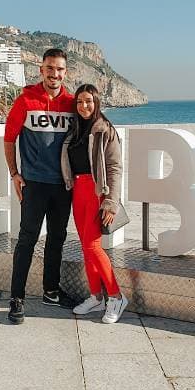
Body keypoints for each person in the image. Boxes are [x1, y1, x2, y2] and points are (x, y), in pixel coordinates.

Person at [3, 48, 76, 324]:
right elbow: (9, 139)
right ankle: (16, 297)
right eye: (49, 68)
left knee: (57, 239)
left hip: (63, 186)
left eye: (59, 69)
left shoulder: (71, 103)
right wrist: (14, 173)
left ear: (65, 72)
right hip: (34, 184)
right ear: (41, 70)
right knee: (27, 240)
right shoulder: (26, 100)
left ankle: (51, 292)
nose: (54, 74)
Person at [60, 84, 128, 324]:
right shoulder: (75, 130)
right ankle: (96, 296)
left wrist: (110, 203)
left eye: (88, 101)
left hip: (97, 193)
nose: (83, 106)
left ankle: (116, 296)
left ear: (96, 102)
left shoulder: (105, 130)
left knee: (92, 247)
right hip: (78, 190)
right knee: (85, 247)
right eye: (79, 102)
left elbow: (115, 168)